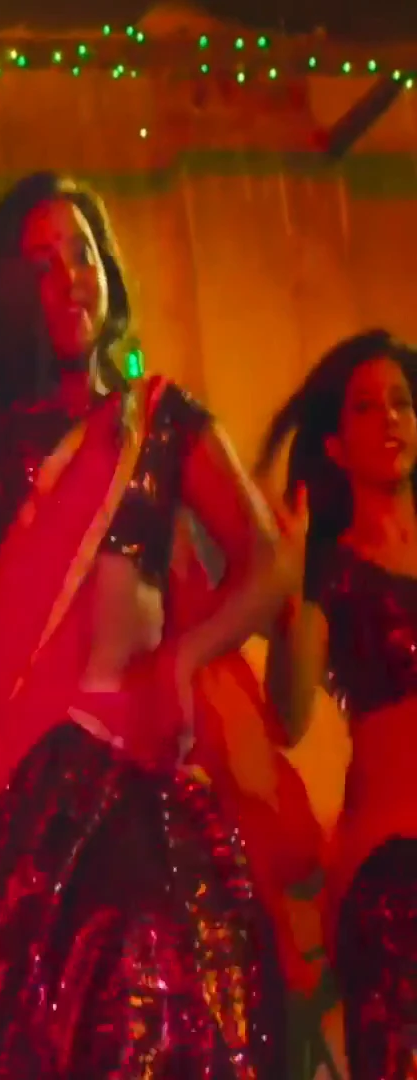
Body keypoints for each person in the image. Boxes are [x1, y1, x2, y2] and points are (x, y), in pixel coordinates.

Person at [0, 21, 292, 1077]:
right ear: (14, 292)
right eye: (41, 264)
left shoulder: (161, 420)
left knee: (177, 1003)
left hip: (134, 767)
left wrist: (185, 658)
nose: (70, 278)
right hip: (20, 788)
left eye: (82, 253)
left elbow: (271, 561)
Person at [261, 329, 417, 1080]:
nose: (390, 417)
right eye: (366, 407)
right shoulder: (335, 573)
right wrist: (288, 591)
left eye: (402, 402)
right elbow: (289, 715)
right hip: (396, 875)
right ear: (334, 446)